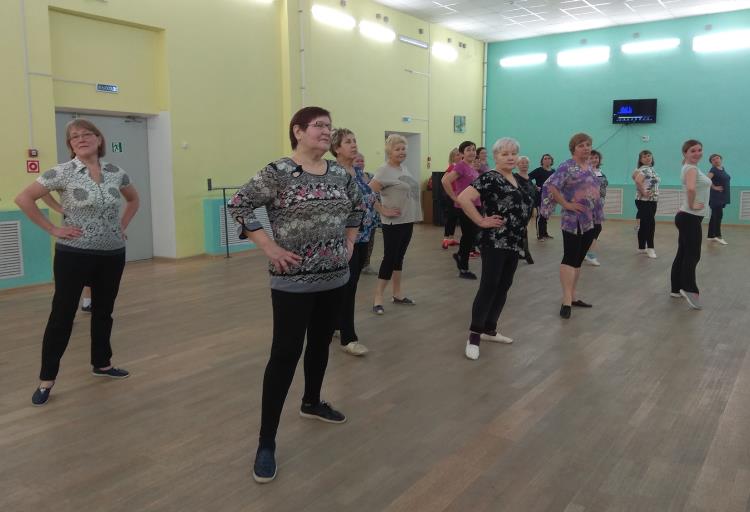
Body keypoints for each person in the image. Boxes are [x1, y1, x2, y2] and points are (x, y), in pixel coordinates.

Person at [227, 106, 363, 484]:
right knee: (286, 354)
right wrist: (268, 247)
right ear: (298, 131)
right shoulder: (279, 172)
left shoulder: (339, 173)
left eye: (329, 126)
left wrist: (350, 241)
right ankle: (266, 442)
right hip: (292, 281)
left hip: (335, 277)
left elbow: (358, 207)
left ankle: (312, 402)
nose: (326, 131)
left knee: (320, 344)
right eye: (319, 126)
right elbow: (239, 204)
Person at [14, 118, 140, 406]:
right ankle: (47, 379)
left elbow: (134, 200)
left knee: (104, 312)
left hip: (112, 254)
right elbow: (24, 198)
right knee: (62, 315)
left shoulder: (116, 172)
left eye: (86, 134)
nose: (81, 139)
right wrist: (53, 228)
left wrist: (121, 225)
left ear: (99, 139)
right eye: (74, 137)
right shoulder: (62, 172)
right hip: (74, 254)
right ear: (70, 145)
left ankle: (102, 363)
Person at [457, 138, 534, 360]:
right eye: (504, 154)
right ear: (495, 157)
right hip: (495, 241)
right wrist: (481, 221)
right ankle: (474, 335)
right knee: (489, 285)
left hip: (514, 242)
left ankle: (489, 329)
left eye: (513, 153)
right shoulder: (490, 177)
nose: (510, 157)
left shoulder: (518, 179)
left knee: (504, 285)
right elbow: (464, 198)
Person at [540, 133, 602, 319]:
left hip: (590, 219)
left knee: (578, 259)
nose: (586, 148)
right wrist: (566, 204)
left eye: (588, 145)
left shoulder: (590, 166)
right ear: (573, 148)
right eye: (581, 145)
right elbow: (551, 186)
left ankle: (573, 296)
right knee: (570, 257)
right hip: (573, 220)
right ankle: (566, 300)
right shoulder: (566, 166)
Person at [331, 130, 382, 356]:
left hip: (364, 235)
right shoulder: (334, 173)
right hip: (345, 238)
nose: (353, 145)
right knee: (348, 286)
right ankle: (348, 338)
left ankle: (336, 324)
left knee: (349, 284)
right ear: (336, 148)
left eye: (354, 141)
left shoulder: (359, 172)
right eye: (348, 142)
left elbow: (369, 198)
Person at [369, 134, 421, 315]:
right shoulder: (384, 170)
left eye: (403, 148)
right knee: (390, 258)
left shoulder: (404, 168)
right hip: (393, 222)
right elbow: (368, 192)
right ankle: (378, 298)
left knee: (399, 257)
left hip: (407, 219)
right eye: (397, 149)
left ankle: (397, 294)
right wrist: (382, 210)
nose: (401, 152)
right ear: (389, 151)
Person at [670, 139, 711, 310]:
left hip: (687, 216)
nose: (697, 153)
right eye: (693, 150)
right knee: (693, 255)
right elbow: (691, 188)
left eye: (699, 150)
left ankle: (676, 288)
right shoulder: (691, 169)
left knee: (683, 252)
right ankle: (690, 289)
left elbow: (696, 186)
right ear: (685, 153)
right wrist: (693, 204)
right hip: (690, 216)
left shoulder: (689, 167)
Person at [40, 193, 94, 310]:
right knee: (70, 282)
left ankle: (87, 302)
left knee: (92, 271)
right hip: (75, 237)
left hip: (95, 237)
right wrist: (61, 209)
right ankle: (69, 310)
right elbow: (42, 193)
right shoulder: (66, 180)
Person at [442, 141, 481, 280]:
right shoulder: (461, 166)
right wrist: (455, 197)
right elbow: (445, 181)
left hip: (476, 204)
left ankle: (461, 257)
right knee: (469, 235)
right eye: (468, 150)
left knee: (470, 236)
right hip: (465, 206)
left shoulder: (472, 167)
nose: (472, 152)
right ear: (462, 153)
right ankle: (463, 267)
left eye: (473, 149)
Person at [632, 150, 660, 258]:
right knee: (650, 224)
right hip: (645, 200)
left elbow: (634, 176)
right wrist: (643, 192)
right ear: (640, 160)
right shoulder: (645, 169)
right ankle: (650, 248)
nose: (647, 158)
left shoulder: (650, 169)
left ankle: (641, 247)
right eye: (644, 157)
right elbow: (637, 181)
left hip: (650, 200)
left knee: (644, 223)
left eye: (649, 156)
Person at [356, 152, 380, 275]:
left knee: (370, 241)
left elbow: (377, 194)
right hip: (357, 217)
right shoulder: (350, 177)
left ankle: (366, 265)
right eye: (357, 161)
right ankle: (355, 266)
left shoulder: (371, 176)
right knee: (357, 243)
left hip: (372, 216)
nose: (360, 163)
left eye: (362, 161)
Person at [584, 149, 608, 266]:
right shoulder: (585, 171)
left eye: (596, 158)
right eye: (591, 157)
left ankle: (586, 252)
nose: (594, 160)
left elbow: (603, 187)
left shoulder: (600, 172)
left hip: (598, 205)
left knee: (595, 228)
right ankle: (589, 253)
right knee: (594, 228)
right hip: (588, 205)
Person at [514, 156, 535, 264]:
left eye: (526, 163)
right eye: (522, 163)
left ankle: (517, 251)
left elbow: (532, 193)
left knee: (522, 229)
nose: (524, 164)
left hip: (529, 208)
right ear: (517, 165)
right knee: (522, 230)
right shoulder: (515, 177)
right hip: (519, 208)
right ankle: (526, 253)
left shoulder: (529, 177)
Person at [529, 154, 555, 240]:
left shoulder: (553, 171)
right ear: (542, 161)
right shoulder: (538, 170)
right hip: (539, 196)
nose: (547, 160)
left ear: (551, 161)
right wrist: (534, 186)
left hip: (549, 197)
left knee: (545, 215)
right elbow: (528, 177)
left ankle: (545, 233)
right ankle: (539, 235)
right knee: (540, 215)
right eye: (545, 159)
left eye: (549, 158)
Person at [707, 153, 731, 245]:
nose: (716, 160)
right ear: (711, 162)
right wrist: (714, 187)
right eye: (713, 159)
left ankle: (711, 235)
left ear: (721, 159)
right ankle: (718, 236)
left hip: (722, 196)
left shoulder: (722, 169)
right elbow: (706, 180)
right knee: (718, 216)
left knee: (714, 216)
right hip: (716, 197)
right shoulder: (713, 170)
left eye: (717, 158)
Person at [441, 148, 462, 249]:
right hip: (451, 196)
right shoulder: (453, 167)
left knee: (454, 217)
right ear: (453, 157)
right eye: (457, 155)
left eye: (460, 154)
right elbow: (443, 180)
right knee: (450, 217)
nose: (459, 156)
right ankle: (445, 238)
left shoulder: (460, 167)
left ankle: (451, 238)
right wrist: (451, 194)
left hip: (457, 195)